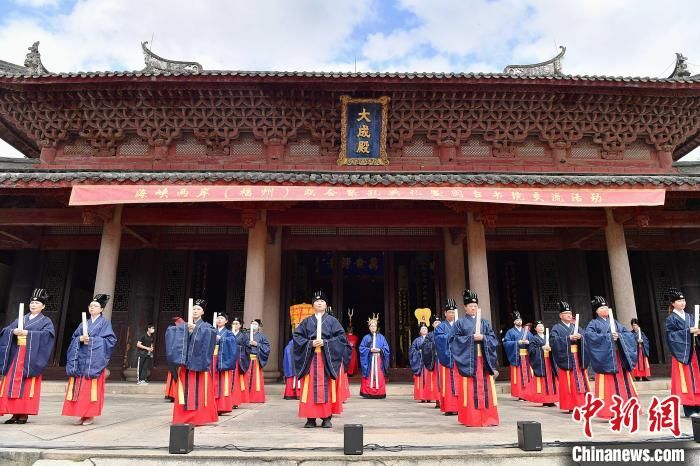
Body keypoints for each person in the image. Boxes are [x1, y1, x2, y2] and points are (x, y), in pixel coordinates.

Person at [293, 290, 348, 428]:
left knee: (327, 387)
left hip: (326, 359)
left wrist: (326, 343)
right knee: (309, 387)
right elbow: (297, 337)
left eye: (322, 301)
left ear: (326, 304)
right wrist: (310, 343)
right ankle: (310, 418)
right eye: (317, 301)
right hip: (311, 358)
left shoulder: (332, 321)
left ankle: (326, 417)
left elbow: (341, 338)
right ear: (313, 304)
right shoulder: (306, 322)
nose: (319, 303)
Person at [0, 289, 55, 424]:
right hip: (16, 355)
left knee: (28, 384)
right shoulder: (21, 318)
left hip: (31, 357)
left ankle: (24, 413)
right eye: (32, 302)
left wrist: (28, 333)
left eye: (37, 303)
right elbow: (5, 330)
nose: (33, 305)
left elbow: (48, 336)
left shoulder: (46, 321)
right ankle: (14, 413)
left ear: (43, 306)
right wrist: (13, 331)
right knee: (12, 383)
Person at [61, 294, 117, 426]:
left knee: (90, 389)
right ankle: (81, 414)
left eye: (95, 306)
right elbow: (74, 338)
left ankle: (90, 415)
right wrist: (79, 339)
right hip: (81, 359)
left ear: (101, 309)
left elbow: (110, 340)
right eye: (91, 306)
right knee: (80, 388)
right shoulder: (83, 323)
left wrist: (92, 340)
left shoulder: (104, 323)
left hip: (94, 361)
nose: (92, 308)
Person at [584, 296, 638, 419]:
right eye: (602, 308)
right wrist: (608, 337)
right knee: (609, 384)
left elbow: (628, 334)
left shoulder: (615, 322)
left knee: (623, 381)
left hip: (618, 357)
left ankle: (627, 407)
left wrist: (619, 336)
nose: (605, 309)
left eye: (606, 307)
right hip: (606, 358)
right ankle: (609, 410)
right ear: (597, 311)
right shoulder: (593, 324)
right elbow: (590, 337)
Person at [451, 290, 500, 427]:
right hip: (469, 361)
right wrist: (470, 338)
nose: (473, 308)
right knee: (470, 388)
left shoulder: (484, 323)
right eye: (470, 305)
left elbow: (493, 339)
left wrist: (484, 338)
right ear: (465, 307)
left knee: (487, 389)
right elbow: (453, 340)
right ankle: (471, 418)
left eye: (475, 305)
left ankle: (488, 418)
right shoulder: (459, 323)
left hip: (483, 360)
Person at [166, 299, 217, 426]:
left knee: (199, 392)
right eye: (193, 309)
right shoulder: (184, 326)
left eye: (198, 309)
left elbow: (211, 335)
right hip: (185, 366)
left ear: (203, 312)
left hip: (198, 366)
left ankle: (199, 417)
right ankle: (183, 417)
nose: (195, 311)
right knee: (183, 392)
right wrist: (185, 331)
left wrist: (196, 331)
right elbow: (171, 332)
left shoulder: (206, 327)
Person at [664, 288, 700, 417]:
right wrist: (688, 332)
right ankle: (689, 408)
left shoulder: (690, 316)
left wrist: (697, 332)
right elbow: (671, 336)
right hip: (682, 354)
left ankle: (698, 405)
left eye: (683, 300)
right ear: (673, 303)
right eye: (679, 300)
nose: (682, 302)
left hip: (693, 353)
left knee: (696, 379)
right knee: (686, 380)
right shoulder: (671, 319)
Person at [550, 301, 590, 413]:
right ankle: (571, 405)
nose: (568, 315)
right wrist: (568, 338)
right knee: (568, 382)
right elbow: (553, 341)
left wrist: (580, 337)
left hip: (577, 357)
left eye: (570, 313)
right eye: (566, 313)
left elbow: (586, 338)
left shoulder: (576, 327)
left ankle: (582, 404)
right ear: (560, 315)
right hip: (566, 357)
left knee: (580, 380)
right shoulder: (556, 328)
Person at [434, 300, 460, 415]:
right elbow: (438, 339)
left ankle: (460, 407)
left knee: (459, 383)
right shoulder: (441, 327)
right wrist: (450, 335)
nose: (451, 314)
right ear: (445, 313)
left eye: (453, 312)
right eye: (449, 312)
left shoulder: (459, 324)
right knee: (448, 384)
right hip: (446, 357)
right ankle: (449, 407)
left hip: (459, 358)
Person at [523, 320, 557, 407]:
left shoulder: (547, 337)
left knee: (551, 380)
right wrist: (541, 348)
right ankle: (545, 400)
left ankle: (552, 399)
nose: (541, 328)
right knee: (543, 381)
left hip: (549, 361)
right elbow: (531, 351)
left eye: (542, 326)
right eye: (539, 326)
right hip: (541, 361)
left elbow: (555, 348)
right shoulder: (533, 339)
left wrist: (551, 349)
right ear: (535, 329)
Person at [212, 313, 239, 415]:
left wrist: (221, 339)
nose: (219, 320)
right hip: (211, 359)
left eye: (222, 318)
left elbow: (232, 343)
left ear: (226, 321)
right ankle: (211, 404)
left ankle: (221, 405)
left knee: (221, 382)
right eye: (218, 318)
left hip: (222, 359)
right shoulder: (212, 331)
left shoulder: (228, 333)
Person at [502, 311, 532, 400]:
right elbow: (506, 343)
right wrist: (517, 343)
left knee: (528, 375)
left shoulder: (526, 331)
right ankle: (520, 394)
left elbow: (533, 341)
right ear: (514, 322)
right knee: (519, 376)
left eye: (520, 320)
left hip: (526, 356)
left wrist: (528, 342)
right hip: (516, 356)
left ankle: (528, 393)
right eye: (517, 320)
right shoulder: (510, 332)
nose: (519, 321)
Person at [359, 315, 390, 399]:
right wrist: (369, 350)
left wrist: (380, 350)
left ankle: (379, 392)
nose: (373, 327)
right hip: (369, 359)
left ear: (377, 327)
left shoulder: (382, 337)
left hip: (379, 359)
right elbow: (361, 348)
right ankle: (368, 392)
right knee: (369, 375)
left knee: (379, 375)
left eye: (374, 326)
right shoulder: (366, 338)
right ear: (369, 327)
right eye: (371, 326)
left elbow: (386, 348)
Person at [241, 319, 270, 403]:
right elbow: (240, 344)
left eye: (255, 324)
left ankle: (256, 398)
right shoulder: (245, 335)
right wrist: (247, 343)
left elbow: (267, 348)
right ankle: (244, 397)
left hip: (255, 360)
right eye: (252, 324)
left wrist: (257, 344)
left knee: (255, 380)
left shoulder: (262, 336)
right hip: (246, 359)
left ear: (258, 327)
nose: (253, 325)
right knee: (245, 378)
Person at [409, 323, 438, 402]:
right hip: (420, 363)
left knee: (429, 379)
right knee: (421, 379)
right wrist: (419, 352)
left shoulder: (431, 338)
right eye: (422, 329)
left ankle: (429, 397)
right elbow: (412, 350)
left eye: (425, 329)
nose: (424, 330)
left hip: (428, 362)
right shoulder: (417, 340)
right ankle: (421, 396)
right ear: (420, 331)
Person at [164, 317, 184, 402]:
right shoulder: (171, 330)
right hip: (174, 356)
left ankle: (174, 394)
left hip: (178, 356)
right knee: (174, 375)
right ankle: (173, 394)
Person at [230, 318, 249, 407]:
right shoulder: (228, 334)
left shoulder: (243, 335)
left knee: (236, 379)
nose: (235, 325)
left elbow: (247, 347)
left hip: (238, 360)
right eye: (233, 323)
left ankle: (235, 400)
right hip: (228, 359)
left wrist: (239, 348)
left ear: (240, 325)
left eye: (237, 323)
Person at [283, 326, 301, 400]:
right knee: (292, 375)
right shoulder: (290, 344)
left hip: (297, 362)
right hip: (294, 362)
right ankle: (294, 394)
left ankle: (293, 394)